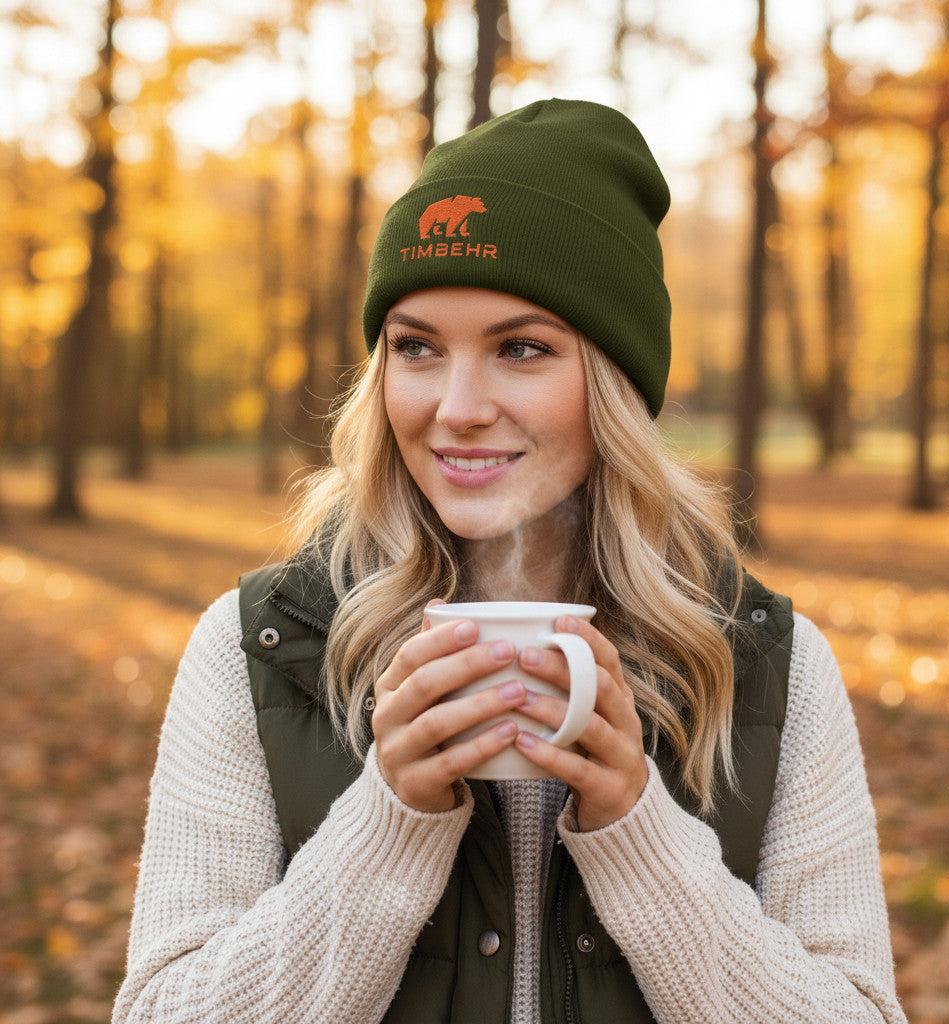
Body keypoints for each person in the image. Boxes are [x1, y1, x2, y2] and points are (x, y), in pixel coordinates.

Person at [113, 99, 907, 1024]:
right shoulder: (260, 650)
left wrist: (636, 830)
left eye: (520, 349)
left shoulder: (770, 667)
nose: (456, 406)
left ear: (612, 382)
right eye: (416, 347)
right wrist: (389, 823)